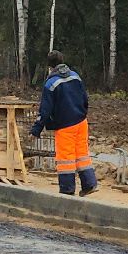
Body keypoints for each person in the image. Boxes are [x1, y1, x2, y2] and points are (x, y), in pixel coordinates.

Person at [29, 51, 98, 197]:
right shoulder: (75, 76)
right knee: (82, 154)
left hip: (65, 125)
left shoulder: (50, 83)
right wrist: (83, 113)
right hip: (81, 121)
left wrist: (36, 129)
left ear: (49, 66)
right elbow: (85, 98)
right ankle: (89, 184)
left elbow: (45, 110)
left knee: (66, 158)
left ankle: (67, 190)